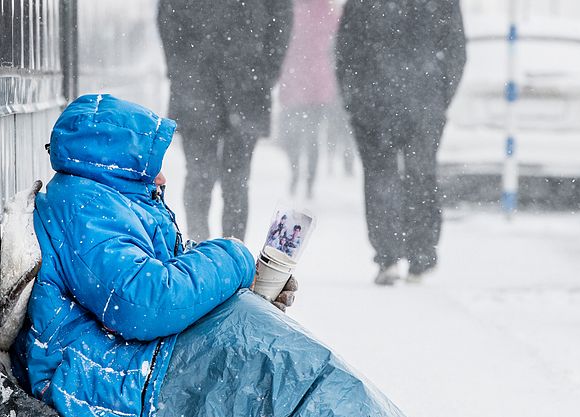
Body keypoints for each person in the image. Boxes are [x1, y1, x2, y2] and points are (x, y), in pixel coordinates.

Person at [12, 94, 443, 417]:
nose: (161, 178)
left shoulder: (106, 200)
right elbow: (143, 304)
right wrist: (233, 256)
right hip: (116, 378)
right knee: (275, 370)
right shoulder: (84, 206)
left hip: (133, 362)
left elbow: (162, 271)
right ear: (114, 163)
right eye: (150, 166)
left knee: (276, 362)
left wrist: (244, 286)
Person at [335, 0, 467, 285]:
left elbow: (346, 48)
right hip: (422, 99)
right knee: (420, 175)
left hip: (374, 98)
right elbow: (456, 49)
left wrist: (352, 95)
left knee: (381, 176)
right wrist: (440, 96)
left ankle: (388, 256)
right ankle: (419, 256)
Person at [157, 0, 293, 241]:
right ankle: (207, 247)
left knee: (224, 179)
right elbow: (280, 18)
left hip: (222, 82)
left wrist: (266, 71)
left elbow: (281, 19)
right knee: (217, 177)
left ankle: (220, 251)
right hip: (219, 82)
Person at [277, 0, 340, 199]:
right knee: (308, 137)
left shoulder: (292, 7)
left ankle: (301, 175)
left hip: (301, 80)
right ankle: (304, 177)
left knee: (300, 136)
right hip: (313, 82)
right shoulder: (325, 10)